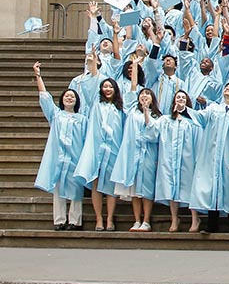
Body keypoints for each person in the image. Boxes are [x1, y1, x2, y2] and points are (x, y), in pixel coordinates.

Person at [32, 62, 87, 231]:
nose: (69, 98)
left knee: (76, 191)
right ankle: (60, 220)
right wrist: (38, 76)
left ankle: (75, 221)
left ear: (77, 100)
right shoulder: (56, 115)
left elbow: (85, 139)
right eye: (66, 96)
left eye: (72, 96)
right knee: (58, 191)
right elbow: (45, 97)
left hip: (75, 157)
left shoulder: (83, 119)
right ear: (62, 100)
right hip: (59, 158)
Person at [189, 81, 229, 235]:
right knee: (211, 187)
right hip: (212, 155)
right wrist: (184, 110)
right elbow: (200, 117)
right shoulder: (214, 109)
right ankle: (211, 224)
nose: (228, 88)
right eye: (226, 87)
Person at [110, 62, 160, 233]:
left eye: (148, 94)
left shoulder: (157, 117)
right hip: (132, 154)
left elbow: (153, 134)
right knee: (134, 191)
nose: (144, 96)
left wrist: (147, 112)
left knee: (145, 189)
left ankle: (146, 220)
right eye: (142, 94)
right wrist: (135, 66)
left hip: (147, 155)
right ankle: (137, 220)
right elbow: (132, 88)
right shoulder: (131, 111)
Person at [73, 75, 128, 231]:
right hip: (97, 149)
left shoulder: (120, 108)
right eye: (105, 86)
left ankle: (110, 219)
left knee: (111, 187)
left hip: (114, 150)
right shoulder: (96, 106)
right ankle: (99, 219)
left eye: (110, 86)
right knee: (96, 185)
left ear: (115, 89)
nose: (107, 89)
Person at [147, 89, 201, 233]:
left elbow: (199, 142)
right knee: (171, 187)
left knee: (189, 187)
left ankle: (195, 218)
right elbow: (152, 132)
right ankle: (174, 218)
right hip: (169, 159)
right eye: (178, 97)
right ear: (174, 101)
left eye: (183, 97)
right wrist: (146, 111)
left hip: (188, 159)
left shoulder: (192, 121)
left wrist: (198, 160)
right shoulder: (165, 120)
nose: (181, 99)